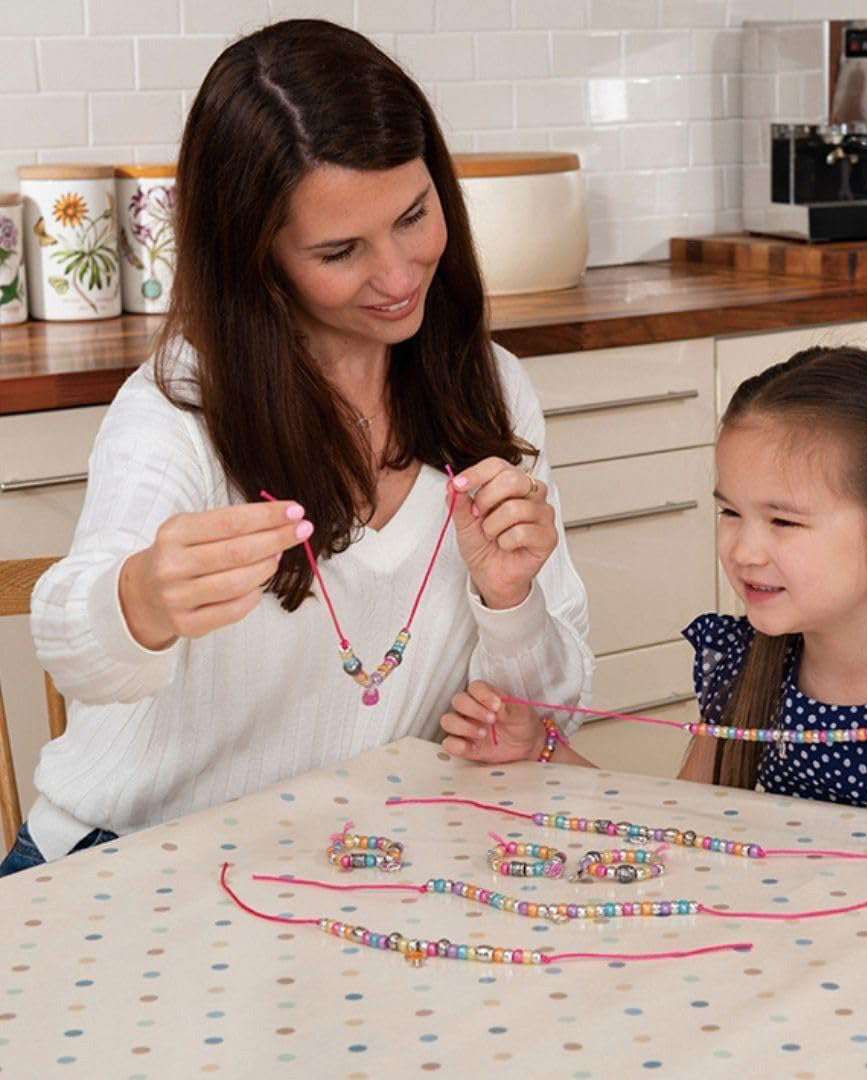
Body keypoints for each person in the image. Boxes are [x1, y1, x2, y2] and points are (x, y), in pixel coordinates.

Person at [0, 20, 592, 876]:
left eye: (414, 216)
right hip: (128, 862)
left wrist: (510, 603)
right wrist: (142, 599)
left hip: (350, 868)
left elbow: (552, 715)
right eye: (340, 251)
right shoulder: (181, 406)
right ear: (255, 256)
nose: (397, 275)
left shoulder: (490, 388)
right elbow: (70, 637)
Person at [441, 346, 867, 842]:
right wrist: (539, 749)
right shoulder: (748, 666)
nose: (744, 551)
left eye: (783, 522)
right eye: (729, 513)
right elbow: (676, 829)